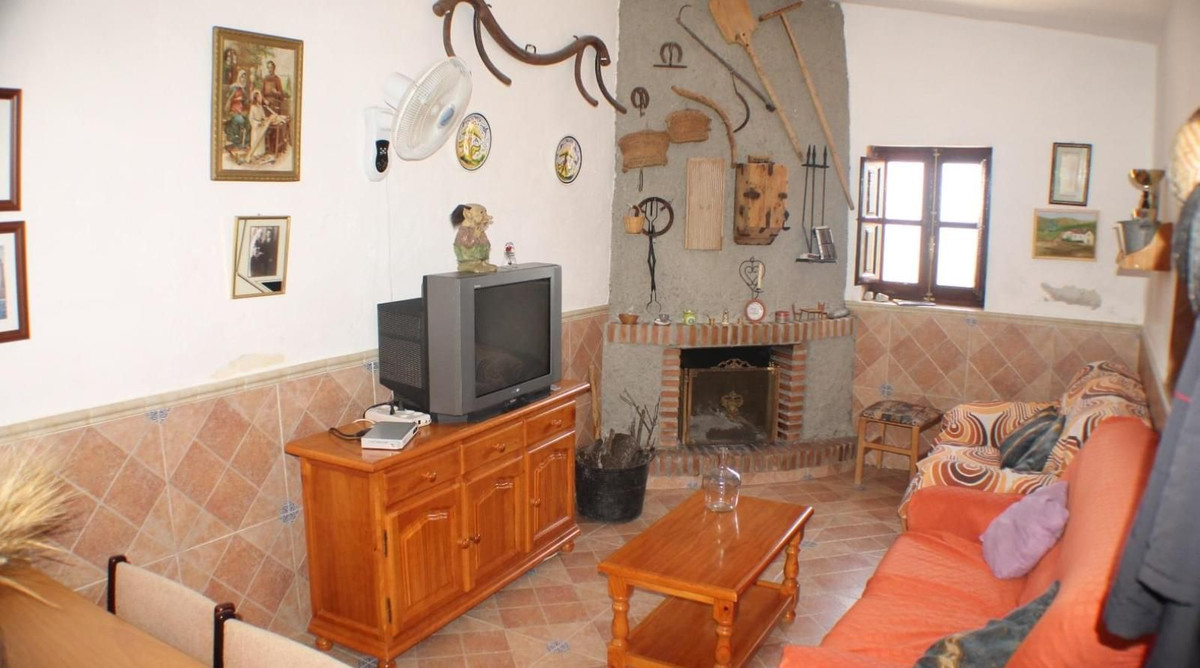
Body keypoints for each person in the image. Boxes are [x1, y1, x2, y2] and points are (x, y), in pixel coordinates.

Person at [450, 204, 497, 273]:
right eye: (481, 212)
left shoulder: (478, 229)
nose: (485, 216)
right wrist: (476, 235)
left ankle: (482, 263)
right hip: (468, 259)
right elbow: (467, 244)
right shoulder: (464, 231)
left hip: (480, 257)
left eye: (485, 212)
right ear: (468, 214)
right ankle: (470, 265)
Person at [225, 70, 250, 148]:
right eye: (242, 77)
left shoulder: (244, 88)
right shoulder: (234, 87)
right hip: (234, 110)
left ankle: (245, 142)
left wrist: (246, 101)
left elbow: (246, 101)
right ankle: (237, 141)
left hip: (242, 110)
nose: (243, 79)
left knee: (248, 122)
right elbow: (229, 99)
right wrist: (237, 99)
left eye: (244, 77)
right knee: (240, 120)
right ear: (238, 77)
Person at [247, 90, 268, 161]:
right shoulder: (253, 107)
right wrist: (257, 123)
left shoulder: (260, 107)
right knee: (255, 139)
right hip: (256, 127)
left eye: (260, 97)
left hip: (261, 126)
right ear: (255, 98)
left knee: (261, 140)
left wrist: (265, 119)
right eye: (259, 97)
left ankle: (260, 153)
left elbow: (263, 116)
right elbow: (250, 118)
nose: (260, 98)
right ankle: (255, 153)